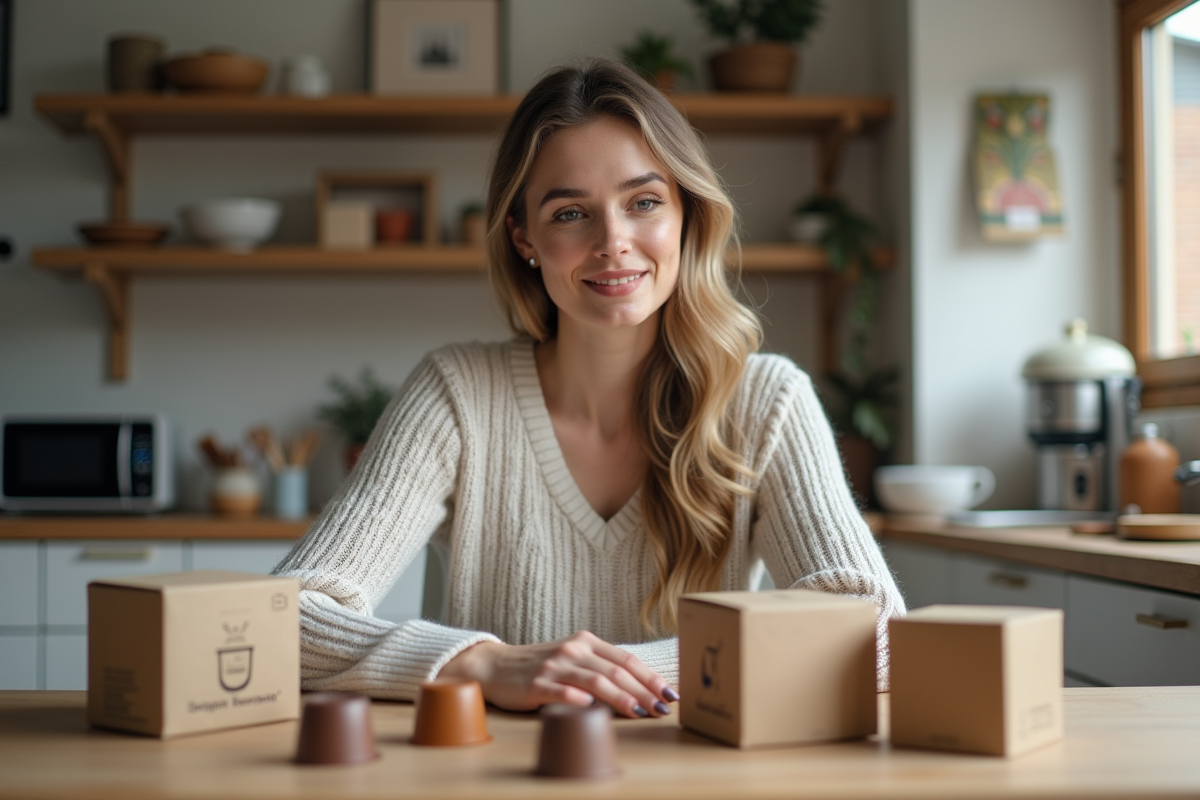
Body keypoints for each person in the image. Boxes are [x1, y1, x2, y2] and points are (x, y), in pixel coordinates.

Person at [273, 58, 904, 720]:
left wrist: (634, 674)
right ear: (524, 238)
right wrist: (484, 663)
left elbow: (877, 630)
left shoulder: (767, 401)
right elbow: (284, 620)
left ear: (687, 215)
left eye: (645, 202)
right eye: (571, 212)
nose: (613, 242)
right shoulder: (458, 394)